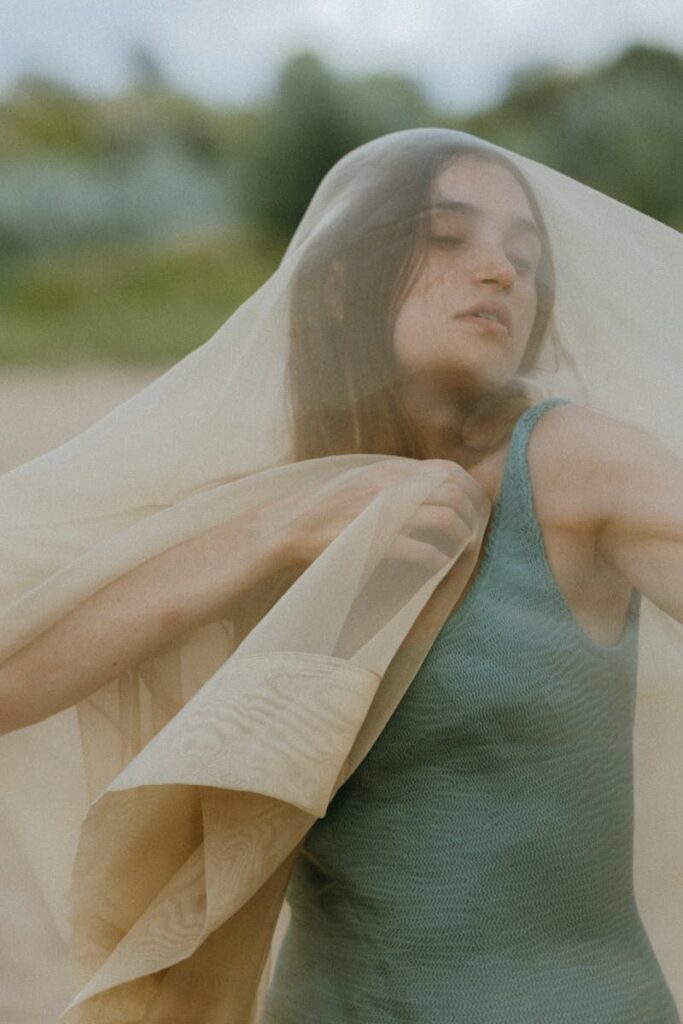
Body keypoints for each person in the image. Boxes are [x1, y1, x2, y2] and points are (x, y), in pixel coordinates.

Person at [0, 128, 681, 1023]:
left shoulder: (572, 466)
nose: (501, 272)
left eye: (524, 256)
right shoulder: (271, 497)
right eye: (447, 238)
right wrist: (282, 531)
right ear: (334, 288)